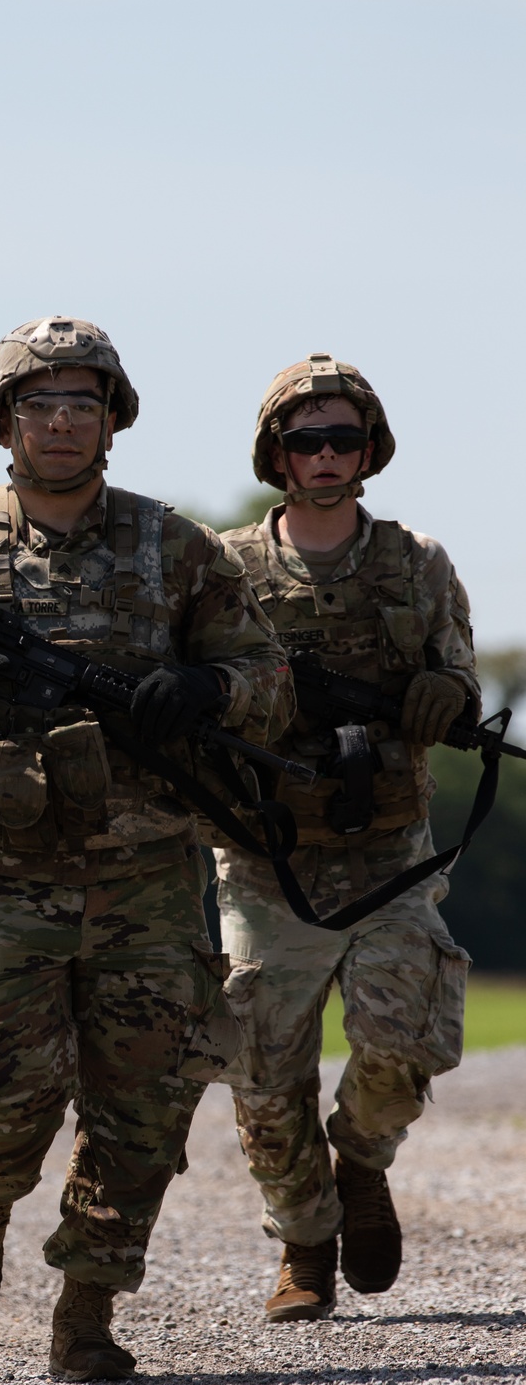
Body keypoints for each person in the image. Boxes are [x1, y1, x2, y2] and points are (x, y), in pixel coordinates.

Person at [0, 317, 293, 1378]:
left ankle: (86, 1314)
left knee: (148, 1101)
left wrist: (205, 687)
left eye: (83, 404)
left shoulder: (176, 551)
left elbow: (267, 680)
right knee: (0, 1081)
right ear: (3, 422)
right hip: (1, 867)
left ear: (112, 419)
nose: (62, 423)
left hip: (148, 878)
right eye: (40, 405)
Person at [213, 352, 479, 1323]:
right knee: (261, 1068)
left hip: (387, 851)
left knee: (402, 1037)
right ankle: (304, 1241)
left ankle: (360, 1162)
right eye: (305, 439)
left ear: (369, 449)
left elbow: (456, 676)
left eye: (342, 438)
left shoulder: (416, 563)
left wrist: (446, 696)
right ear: (276, 455)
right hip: (264, 858)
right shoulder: (227, 570)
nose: (325, 456)